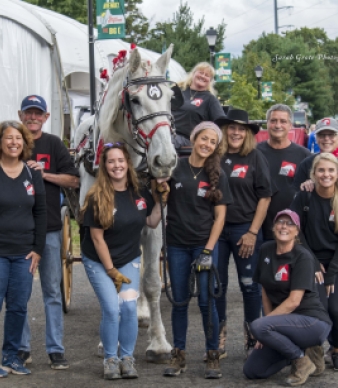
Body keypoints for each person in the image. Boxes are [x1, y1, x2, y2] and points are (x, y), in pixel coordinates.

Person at [81, 143, 169, 380]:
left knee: (129, 308)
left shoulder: (139, 194)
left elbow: (151, 222)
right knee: (112, 309)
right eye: (111, 161)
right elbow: (97, 239)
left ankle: (127, 358)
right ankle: (111, 359)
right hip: (100, 261)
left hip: (128, 259)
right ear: (105, 166)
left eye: (121, 160)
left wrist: (161, 201)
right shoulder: (96, 196)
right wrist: (111, 271)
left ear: (127, 164)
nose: (117, 165)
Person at [163, 122, 233, 379]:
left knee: (206, 301)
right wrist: (159, 188)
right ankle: (178, 353)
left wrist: (208, 250)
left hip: (204, 245)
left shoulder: (218, 174)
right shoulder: (175, 167)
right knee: (179, 301)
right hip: (177, 244)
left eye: (212, 142)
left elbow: (220, 218)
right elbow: (161, 199)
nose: (207, 144)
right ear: (193, 139)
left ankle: (212, 354)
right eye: (203, 138)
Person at [17, 95, 79, 369]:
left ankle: (55, 349)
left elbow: (74, 179)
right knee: (19, 293)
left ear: (46, 116)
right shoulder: (12, 141)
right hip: (18, 229)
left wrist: (45, 173)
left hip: (51, 227)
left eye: (37, 113)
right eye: (28, 113)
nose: (32, 118)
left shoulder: (53, 144)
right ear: (21, 115)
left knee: (52, 291)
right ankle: (21, 347)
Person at [243, 209, 332, 386]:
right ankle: (303, 351)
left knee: (258, 325)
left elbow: (294, 302)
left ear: (297, 231)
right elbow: (265, 291)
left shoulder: (302, 256)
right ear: (273, 227)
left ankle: (301, 360)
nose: (284, 226)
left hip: (312, 322)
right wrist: (265, 331)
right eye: (280, 222)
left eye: (290, 223)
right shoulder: (266, 250)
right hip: (285, 323)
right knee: (253, 371)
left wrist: (264, 326)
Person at [214, 109, 272, 358]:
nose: (236, 132)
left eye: (241, 128)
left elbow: (265, 196)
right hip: (215, 230)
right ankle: (217, 339)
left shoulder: (256, 158)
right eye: (232, 128)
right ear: (225, 131)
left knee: (250, 287)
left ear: (248, 133)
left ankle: (252, 339)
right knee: (216, 286)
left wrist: (252, 232)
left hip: (245, 229)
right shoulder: (214, 156)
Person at [0, 121, 46, 377]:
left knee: (18, 307)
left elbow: (40, 211)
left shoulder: (32, 173)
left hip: (23, 254)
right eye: (8, 138)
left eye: (18, 138)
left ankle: (11, 357)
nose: (13, 142)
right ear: (0, 142)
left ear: (25, 143)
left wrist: (38, 249)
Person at [290, 153, 338, 370]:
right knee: (320, 307)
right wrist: (312, 262)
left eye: (330, 170)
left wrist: (331, 274)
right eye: (321, 170)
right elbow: (296, 232)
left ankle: (335, 348)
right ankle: (313, 350)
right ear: (313, 173)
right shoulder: (304, 197)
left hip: (335, 263)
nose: (326, 174)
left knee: (336, 308)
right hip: (310, 260)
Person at [257, 104, 311, 241]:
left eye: (283, 121)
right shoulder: (255, 153)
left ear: (290, 125)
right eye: (273, 120)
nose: (277, 125)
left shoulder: (304, 155)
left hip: (292, 226)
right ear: (267, 123)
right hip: (260, 226)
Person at [171, 62, 225, 149]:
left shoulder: (210, 99)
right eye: (200, 72)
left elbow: (221, 122)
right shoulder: (177, 91)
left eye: (207, 75)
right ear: (193, 74)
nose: (203, 76)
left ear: (210, 81)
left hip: (186, 138)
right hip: (164, 131)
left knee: (167, 142)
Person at [293, 117, 338, 191]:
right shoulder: (307, 163)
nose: (326, 138)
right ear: (316, 138)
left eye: (331, 134)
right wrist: (304, 187)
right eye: (321, 135)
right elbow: (296, 192)